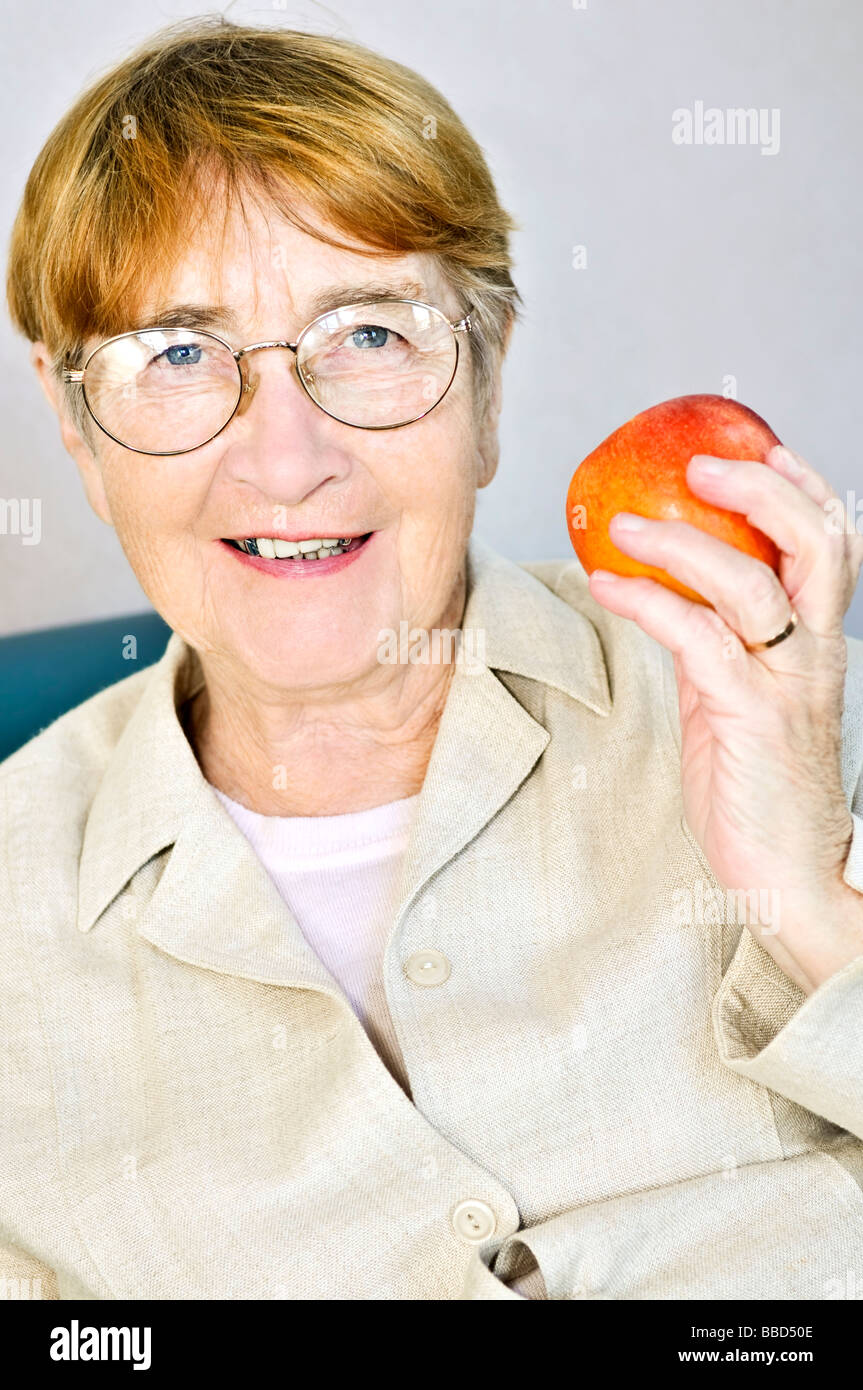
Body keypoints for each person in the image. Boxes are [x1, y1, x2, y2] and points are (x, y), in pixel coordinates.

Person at [2, 15, 863, 1301]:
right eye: (177, 355)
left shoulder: (777, 702)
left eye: (369, 333)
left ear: (489, 388)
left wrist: (811, 909)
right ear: (77, 434)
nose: (286, 460)